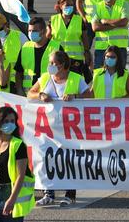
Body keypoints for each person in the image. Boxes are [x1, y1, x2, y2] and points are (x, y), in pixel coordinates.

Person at [28, 51, 86, 206]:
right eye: (50, 62)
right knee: (46, 158)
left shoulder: (76, 78)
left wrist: (75, 97)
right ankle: (48, 193)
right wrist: (40, 95)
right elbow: (30, 93)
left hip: (70, 128)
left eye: (53, 63)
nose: (50, 65)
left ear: (62, 65)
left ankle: (69, 193)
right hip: (48, 128)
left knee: (69, 158)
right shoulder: (45, 78)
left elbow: (90, 95)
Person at [14, 17, 63, 94]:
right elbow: (19, 72)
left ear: (43, 31)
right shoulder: (25, 47)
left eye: (34, 31)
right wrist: (19, 90)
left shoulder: (56, 47)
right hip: (29, 94)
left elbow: (64, 71)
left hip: (49, 93)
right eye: (29, 31)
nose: (31, 33)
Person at [50, 0, 91, 80]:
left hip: (75, 58)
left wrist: (87, 52)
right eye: (67, 5)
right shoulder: (53, 20)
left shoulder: (79, 20)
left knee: (74, 81)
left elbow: (85, 38)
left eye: (72, 5)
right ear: (61, 6)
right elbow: (47, 37)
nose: (70, 7)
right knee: (58, 80)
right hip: (57, 59)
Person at [92, 0, 129, 68]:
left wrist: (106, 21)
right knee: (99, 74)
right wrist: (116, 24)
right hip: (102, 47)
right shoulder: (97, 6)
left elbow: (124, 22)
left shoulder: (123, 4)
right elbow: (95, 27)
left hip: (119, 47)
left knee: (120, 75)